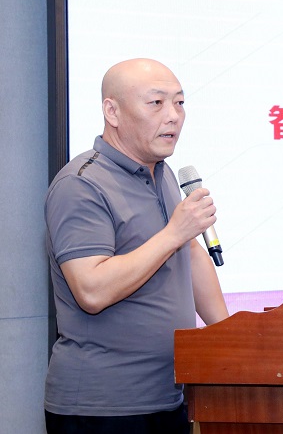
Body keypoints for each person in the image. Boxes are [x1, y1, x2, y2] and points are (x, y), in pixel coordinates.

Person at [44, 58, 230, 434]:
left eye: (179, 102)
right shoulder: (81, 184)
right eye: (156, 102)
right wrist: (174, 233)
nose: (173, 115)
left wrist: (230, 338)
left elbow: (191, 253)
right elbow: (92, 290)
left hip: (170, 396)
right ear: (112, 111)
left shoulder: (163, 174)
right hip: (103, 408)